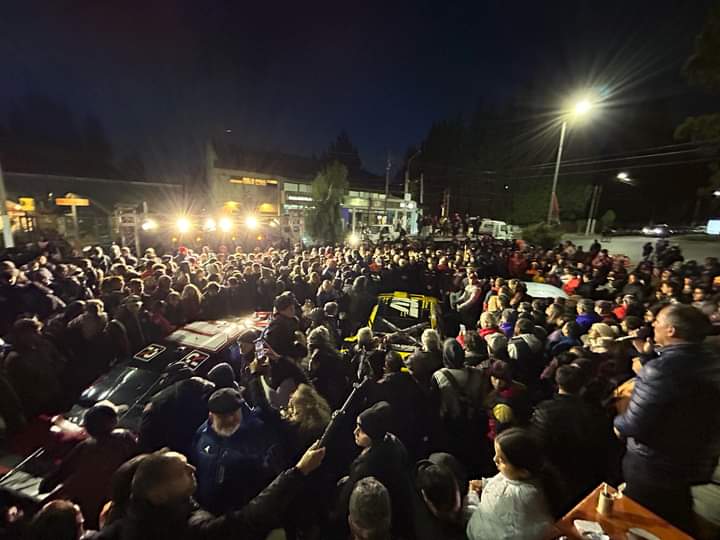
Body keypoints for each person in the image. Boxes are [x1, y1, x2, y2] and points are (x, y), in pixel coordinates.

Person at [613, 304, 720, 533]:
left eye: (658, 321)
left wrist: (617, 422)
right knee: (677, 511)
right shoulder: (712, 361)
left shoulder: (659, 370)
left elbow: (633, 424)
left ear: (671, 330)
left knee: (642, 521)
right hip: (695, 457)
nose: (653, 324)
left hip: (653, 466)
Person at [92, 445, 326, 540]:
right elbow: (247, 520)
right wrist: (298, 471)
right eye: (182, 471)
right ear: (159, 494)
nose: (193, 468)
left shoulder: (158, 505)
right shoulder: (188, 529)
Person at [39, 401, 138, 529]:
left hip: (93, 507)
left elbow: (60, 473)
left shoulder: (85, 447)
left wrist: (45, 485)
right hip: (114, 506)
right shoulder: (125, 439)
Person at [190, 388, 280, 514]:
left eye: (234, 414)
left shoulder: (256, 432)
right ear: (211, 416)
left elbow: (267, 471)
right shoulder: (202, 434)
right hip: (208, 510)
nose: (230, 420)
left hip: (242, 513)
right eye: (223, 416)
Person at [530, 365, 611, 504]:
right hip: (585, 473)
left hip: (553, 473)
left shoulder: (544, 410)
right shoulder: (594, 413)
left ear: (557, 383)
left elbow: (537, 444)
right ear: (582, 386)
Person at [338, 402, 416, 538]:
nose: (355, 432)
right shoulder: (393, 442)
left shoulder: (367, 466)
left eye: (361, 430)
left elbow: (345, 500)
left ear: (373, 434)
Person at [466, 428, 556, 540]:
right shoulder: (511, 474)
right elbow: (500, 482)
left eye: (502, 460)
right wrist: (485, 483)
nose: (494, 459)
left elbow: (517, 533)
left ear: (523, 472)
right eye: (496, 454)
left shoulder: (525, 497)